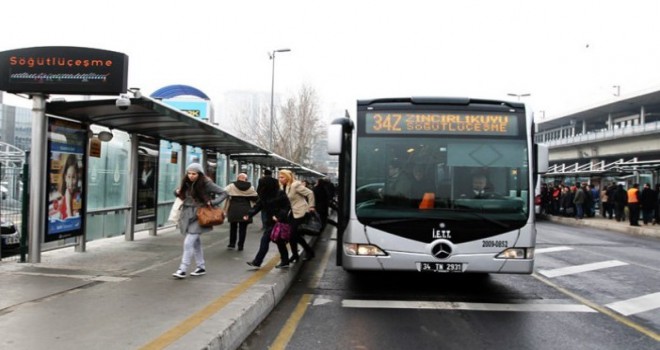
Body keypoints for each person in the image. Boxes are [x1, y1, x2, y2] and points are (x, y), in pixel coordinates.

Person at [172, 163, 228, 279]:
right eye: (189, 173)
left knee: (188, 242)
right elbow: (182, 195)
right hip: (188, 215)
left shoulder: (206, 183)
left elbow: (224, 193)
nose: (191, 176)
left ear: (199, 174)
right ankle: (201, 267)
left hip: (200, 215)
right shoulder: (186, 182)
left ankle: (182, 269)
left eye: (194, 174)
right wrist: (177, 192)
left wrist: (213, 202)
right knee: (196, 243)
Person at [244, 175, 292, 269]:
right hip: (270, 222)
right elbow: (258, 206)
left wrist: (278, 216)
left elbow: (286, 207)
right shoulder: (264, 195)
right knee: (279, 242)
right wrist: (249, 215)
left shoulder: (280, 193)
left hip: (279, 222)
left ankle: (258, 261)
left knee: (267, 240)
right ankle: (284, 261)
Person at [279, 169, 316, 263]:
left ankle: (301, 254)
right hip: (292, 212)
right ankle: (299, 254)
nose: (280, 179)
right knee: (294, 235)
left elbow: (310, 193)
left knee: (292, 235)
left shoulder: (295, 185)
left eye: (282, 177)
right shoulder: (284, 186)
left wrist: (311, 206)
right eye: (279, 177)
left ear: (287, 177)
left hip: (301, 211)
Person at [224, 173, 259, 251]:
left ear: (237, 178)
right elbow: (256, 198)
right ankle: (240, 245)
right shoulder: (250, 187)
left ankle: (232, 244)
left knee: (233, 227)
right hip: (245, 209)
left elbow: (224, 192)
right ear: (246, 179)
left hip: (234, 209)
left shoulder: (231, 186)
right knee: (243, 229)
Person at [56, 154, 82, 219]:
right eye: (69, 177)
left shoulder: (77, 195)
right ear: (65, 177)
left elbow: (74, 215)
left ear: (77, 178)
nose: (70, 182)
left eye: (73, 177)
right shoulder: (67, 193)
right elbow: (66, 215)